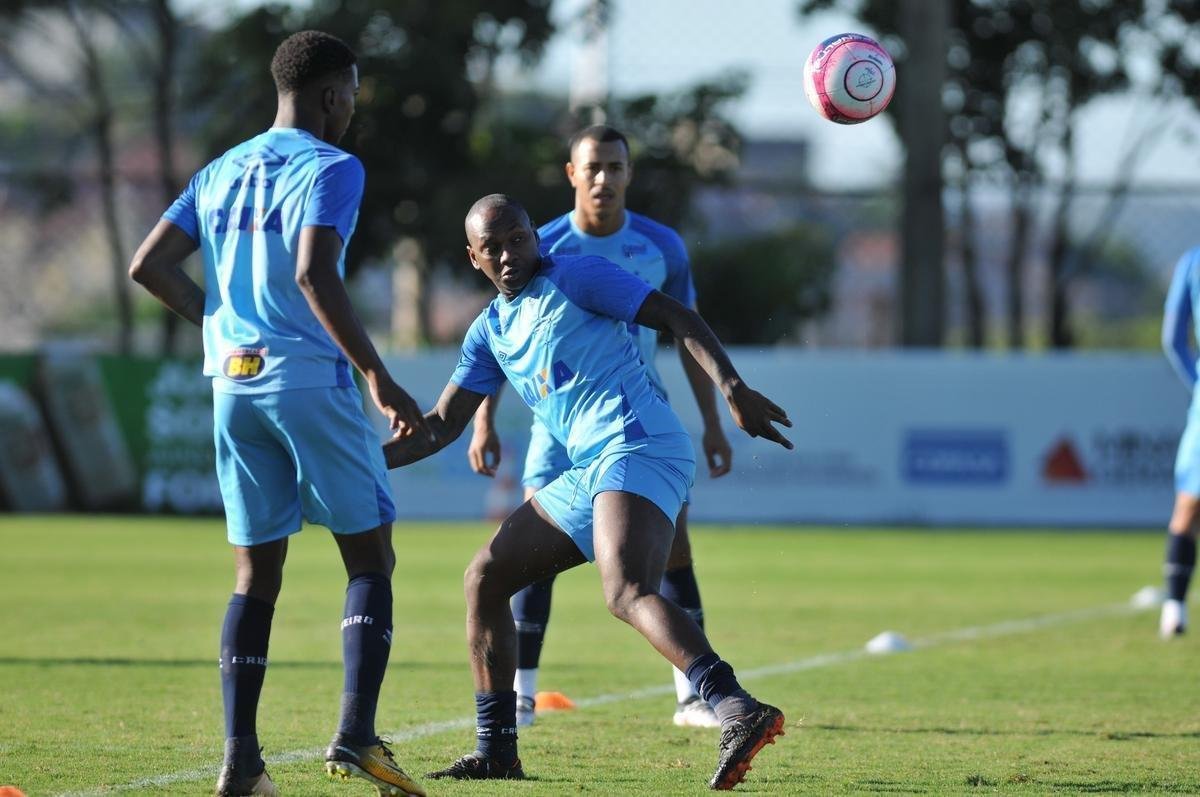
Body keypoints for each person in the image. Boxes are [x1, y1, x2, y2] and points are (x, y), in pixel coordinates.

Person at [385, 194, 791, 790]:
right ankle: (497, 749)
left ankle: (734, 706)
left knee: (625, 590)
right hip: (589, 469)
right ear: (472, 258)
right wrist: (361, 465)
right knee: (485, 578)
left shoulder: (576, 276)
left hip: (640, 444)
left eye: (517, 239)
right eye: (491, 248)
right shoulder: (489, 330)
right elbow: (441, 426)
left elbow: (678, 316)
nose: (507, 255)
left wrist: (732, 388)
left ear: (534, 236)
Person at [128, 30, 428, 797]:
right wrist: (378, 375)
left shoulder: (219, 169)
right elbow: (311, 271)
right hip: (307, 378)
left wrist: (218, 319)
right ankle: (356, 734)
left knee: (255, 571)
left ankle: (241, 764)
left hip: (232, 382)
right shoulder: (333, 167)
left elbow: (148, 264)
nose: (352, 110)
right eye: (352, 95)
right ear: (332, 94)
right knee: (369, 555)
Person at [467, 125, 730, 729]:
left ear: (629, 174)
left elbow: (684, 329)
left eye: (615, 167)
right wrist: (482, 423)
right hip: (557, 428)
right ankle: (522, 696)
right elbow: (501, 338)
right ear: (572, 175)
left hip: (635, 420)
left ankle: (693, 698)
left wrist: (713, 421)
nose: (604, 179)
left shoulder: (662, 246)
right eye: (593, 168)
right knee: (526, 554)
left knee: (671, 553)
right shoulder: (539, 243)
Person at [1160, 245, 1200, 638]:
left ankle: (1174, 609)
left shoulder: (1192, 260)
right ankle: (1173, 608)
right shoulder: (1191, 261)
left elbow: (1173, 340)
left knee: (1189, 503)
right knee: (1189, 500)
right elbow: (1172, 340)